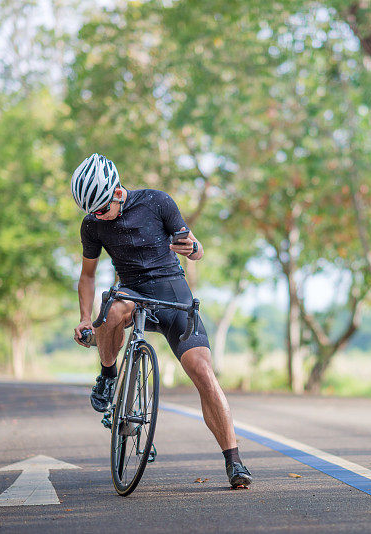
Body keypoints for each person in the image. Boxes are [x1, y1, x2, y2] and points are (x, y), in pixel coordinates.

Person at [70, 153, 252, 489]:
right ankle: (109, 375)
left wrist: (194, 248)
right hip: (131, 292)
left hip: (173, 295)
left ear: (119, 193)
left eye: (100, 208)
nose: (96, 217)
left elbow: (195, 248)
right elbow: (87, 275)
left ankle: (234, 460)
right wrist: (84, 318)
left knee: (203, 371)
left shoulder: (157, 203)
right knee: (111, 311)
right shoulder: (93, 225)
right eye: (90, 212)